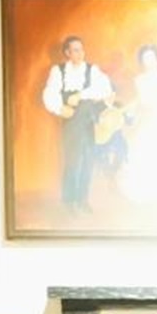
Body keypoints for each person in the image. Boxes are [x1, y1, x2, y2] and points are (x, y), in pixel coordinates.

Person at [42, 35, 115, 213]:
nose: (80, 53)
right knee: (72, 162)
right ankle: (69, 201)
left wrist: (80, 95)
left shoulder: (92, 70)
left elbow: (105, 89)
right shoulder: (58, 71)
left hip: (89, 120)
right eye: (75, 50)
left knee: (88, 161)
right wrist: (60, 108)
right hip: (72, 122)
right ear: (67, 53)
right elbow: (49, 94)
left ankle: (83, 200)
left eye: (81, 49)